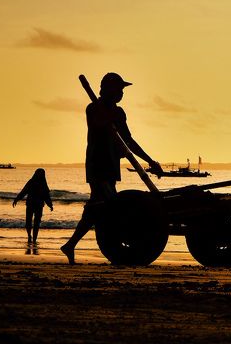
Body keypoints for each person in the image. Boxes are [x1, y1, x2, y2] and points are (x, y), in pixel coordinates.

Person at [61, 72, 163, 264]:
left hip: (111, 165)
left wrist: (149, 161)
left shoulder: (119, 113)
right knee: (110, 204)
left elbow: (128, 140)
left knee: (97, 207)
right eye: (119, 89)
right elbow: (98, 124)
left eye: (123, 90)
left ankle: (70, 245)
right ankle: (111, 243)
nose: (122, 94)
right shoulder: (93, 109)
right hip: (97, 164)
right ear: (108, 90)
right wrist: (105, 114)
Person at [13, 168, 54, 244]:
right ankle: (31, 237)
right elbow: (24, 191)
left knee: (33, 222)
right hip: (34, 205)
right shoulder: (39, 183)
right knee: (33, 222)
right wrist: (17, 199)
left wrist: (50, 205)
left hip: (34, 205)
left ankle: (32, 237)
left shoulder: (36, 182)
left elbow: (46, 196)